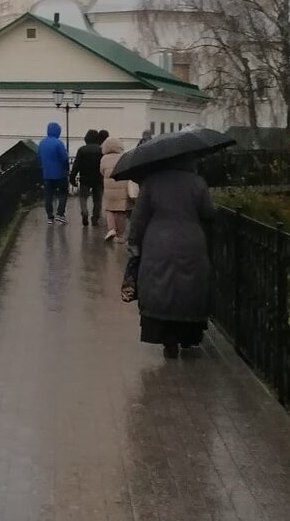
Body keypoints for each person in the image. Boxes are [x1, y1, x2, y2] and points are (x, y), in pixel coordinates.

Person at [123, 156, 215, 358]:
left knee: (160, 287)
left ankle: (168, 340)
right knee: (190, 288)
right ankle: (189, 337)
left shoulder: (150, 183)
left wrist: (134, 243)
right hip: (192, 241)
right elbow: (208, 213)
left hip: (157, 243)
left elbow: (138, 219)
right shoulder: (197, 182)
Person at [99, 138, 138, 242]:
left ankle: (111, 230)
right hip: (122, 185)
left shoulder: (104, 158)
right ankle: (120, 236)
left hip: (109, 187)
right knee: (121, 211)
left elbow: (102, 171)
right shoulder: (124, 157)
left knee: (110, 209)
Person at [68, 129, 104, 228]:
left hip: (85, 178)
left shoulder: (82, 150)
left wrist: (72, 178)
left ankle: (84, 211)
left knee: (83, 197)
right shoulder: (101, 150)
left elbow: (76, 165)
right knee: (97, 199)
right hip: (98, 178)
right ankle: (95, 218)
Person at [38, 121, 69, 224]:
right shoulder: (58, 143)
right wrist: (67, 169)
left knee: (48, 196)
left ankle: (50, 217)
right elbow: (64, 158)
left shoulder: (42, 143)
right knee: (63, 194)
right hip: (60, 174)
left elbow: (39, 157)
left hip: (47, 174)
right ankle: (60, 214)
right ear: (58, 131)